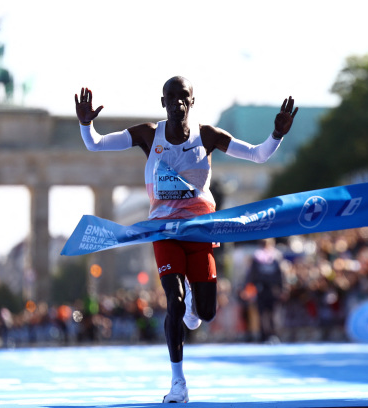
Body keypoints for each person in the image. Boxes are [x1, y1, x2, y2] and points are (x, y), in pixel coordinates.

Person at [74, 76, 298, 403]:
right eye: (171, 97)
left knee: (205, 314)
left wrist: (276, 134)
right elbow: (95, 143)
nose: (178, 102)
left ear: (192, 102)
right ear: (163, 102)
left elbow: (258, 155)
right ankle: (178, 382)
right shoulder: (149, 134)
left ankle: (196, 300)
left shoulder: (207, 136)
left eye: (184, 97)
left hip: (199, 230)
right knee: (174, 303)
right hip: (164, 231)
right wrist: (85, 124)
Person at [245, 238, 286, 343]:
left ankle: (270, 335)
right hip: (265, 289)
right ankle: (269, 336)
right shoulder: (262, 256)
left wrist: (282, 288)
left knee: (270, 314)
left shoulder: (274, 256)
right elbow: (252, 275)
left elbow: (251, 275)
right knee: (266, 314)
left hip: (268, 289)